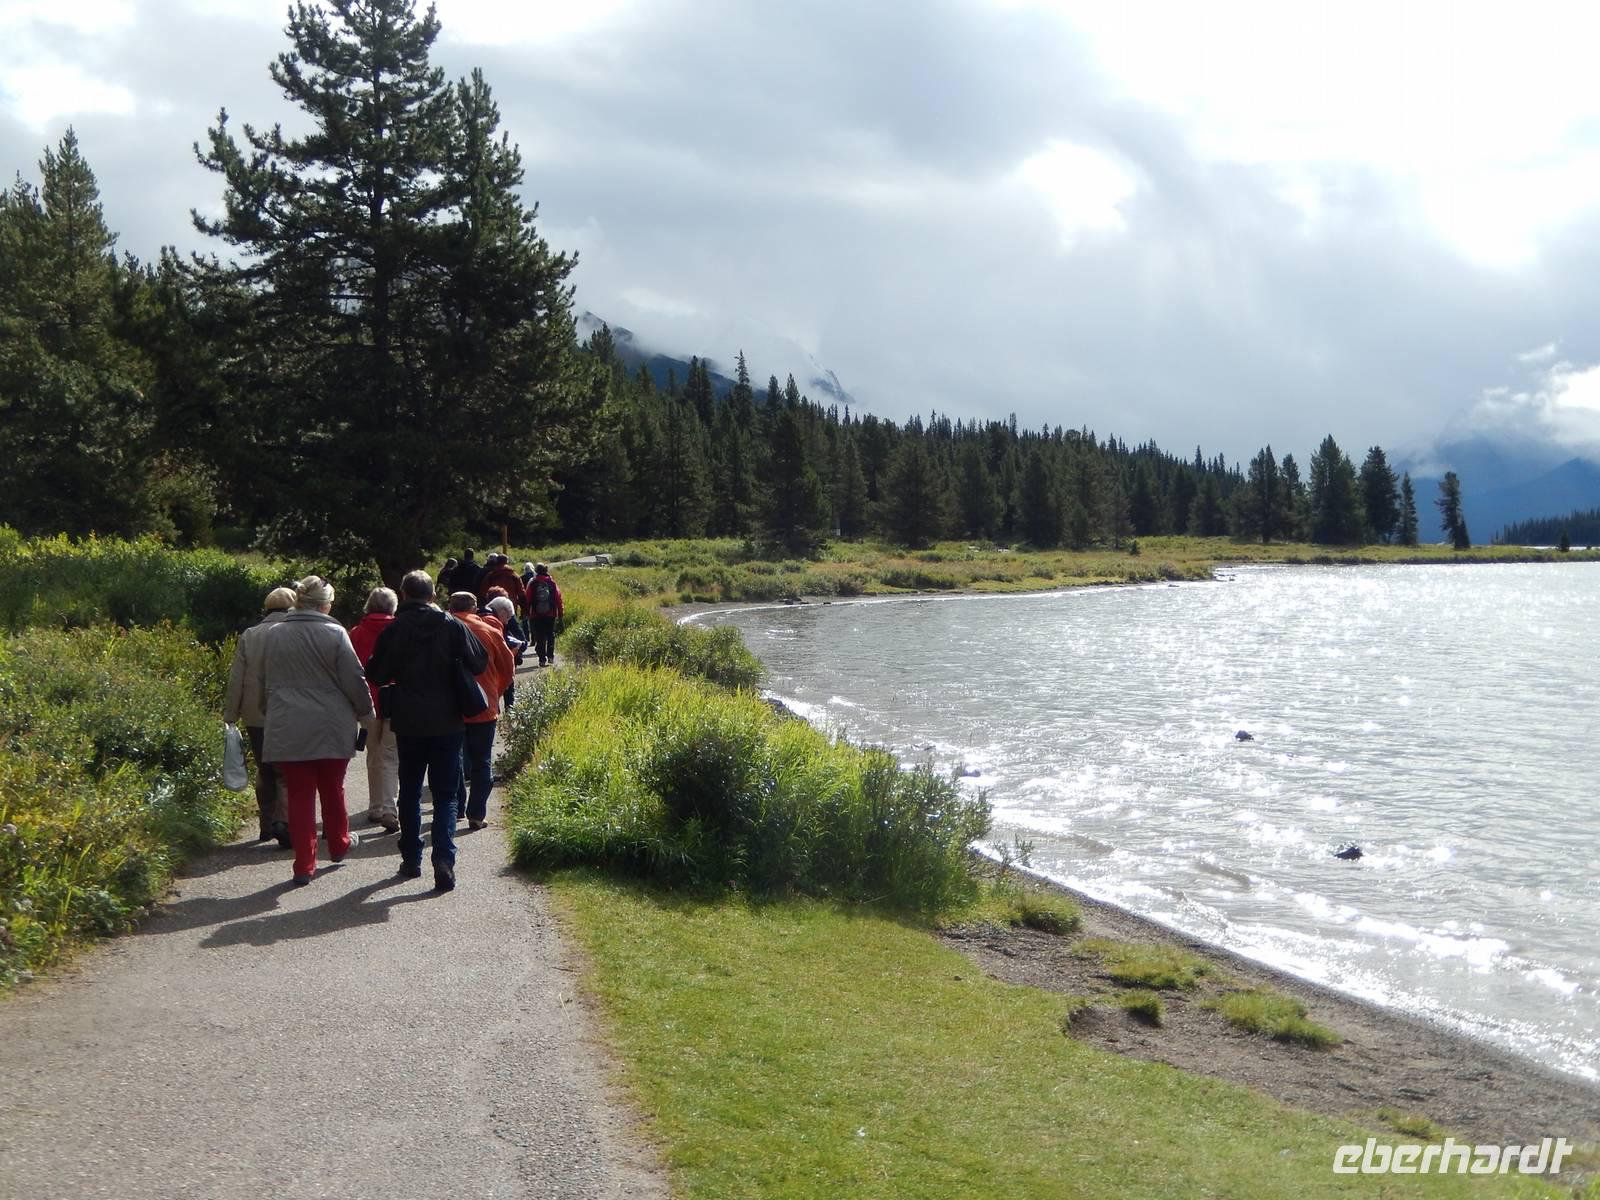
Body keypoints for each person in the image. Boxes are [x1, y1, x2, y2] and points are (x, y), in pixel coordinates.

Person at [364, 570, 488, 892]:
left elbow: (375, 673)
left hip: (408, 722)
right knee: (446, 794)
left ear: (403, 595)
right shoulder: (452, 626)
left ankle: (411, 857)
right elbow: (480, 663)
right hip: (448, 720)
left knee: (410, 790)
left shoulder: (395, 630)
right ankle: (444, 858)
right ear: (433, 596)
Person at [258, 575, 375, 886]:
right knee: (333, 788)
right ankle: (338, 844)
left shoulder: (275, 634)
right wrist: (366, 713)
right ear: (325, 604)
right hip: (331, 722)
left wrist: (265, 711)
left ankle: (304, 864)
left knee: (299, 795)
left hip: (288, 721)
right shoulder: (335, 632)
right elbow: (354, 678)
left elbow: (263, 679)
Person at [222, 585, 298, 847]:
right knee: (287, 771)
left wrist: (230, 713)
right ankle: (284, 822)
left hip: (254, 714)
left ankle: (266, 824)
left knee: (265, 770)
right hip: (288, 711)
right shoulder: (294, 632)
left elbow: (237, 678)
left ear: (266, 609)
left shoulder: (250, 635)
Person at [446, 592, 515, 831]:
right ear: (475, 608)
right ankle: (477, 814)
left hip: (450, 706)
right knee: (482, 760)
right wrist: (494, 692)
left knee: (453, 759)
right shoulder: (490, 632)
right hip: (484, 706)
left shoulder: (441, 629)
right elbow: (508, 668)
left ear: (450, 607)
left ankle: (455, 810)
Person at [348, 586, 400, 832]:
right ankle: (390, 808)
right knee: (391, 755)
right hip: (395, 700)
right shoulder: (400, 630)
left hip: (367, 701)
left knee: (373, 754)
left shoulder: (356, 633)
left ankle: (375, 806)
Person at [485, 594, 526, 710]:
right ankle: (508, 710)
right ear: (502, 612)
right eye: (507, 617)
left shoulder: (480, 618)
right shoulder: (494, 626)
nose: (507, 622)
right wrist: (514, 651)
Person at [527, 562, 563, 668]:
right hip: (550, 613)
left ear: (536, 571)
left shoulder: (532, 583)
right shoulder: (551, 583)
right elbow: (558, 598)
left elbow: (527, 598)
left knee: (540, 636)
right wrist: (560, 612)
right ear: (546, 571)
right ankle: (550, 656)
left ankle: (542, 659)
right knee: (550, 634)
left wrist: (526, 612)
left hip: (535, 614)